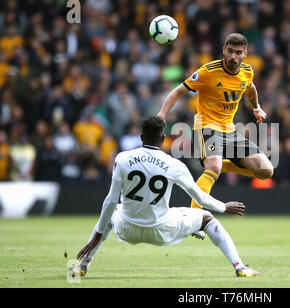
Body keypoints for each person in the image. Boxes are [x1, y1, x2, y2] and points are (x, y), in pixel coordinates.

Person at [69, 117, 259, 278]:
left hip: (127, 228)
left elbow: (110, 200)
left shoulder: (122, 158)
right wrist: (224, 207)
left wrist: (98, 235)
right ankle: (239, 267)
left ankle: (82, 266)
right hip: (162, 229)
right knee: (207, 219)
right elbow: (200, 198)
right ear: (163, 138)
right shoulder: (174, 164)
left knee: (113, 211)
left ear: (141, 137)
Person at [157, 33, 274, 238]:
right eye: (230, 51)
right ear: (223, 50)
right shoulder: (207, 72)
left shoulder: (247, 71)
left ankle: (224, 163)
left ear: (245, 54)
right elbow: (177, 92)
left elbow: (251, 88)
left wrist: (256, 107)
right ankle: (195, 218)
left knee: (266, 171)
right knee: (213, 167)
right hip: (207, 126)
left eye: (238, 53)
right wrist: (161, 114)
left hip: (230, 130)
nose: (233, 56)